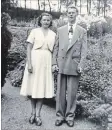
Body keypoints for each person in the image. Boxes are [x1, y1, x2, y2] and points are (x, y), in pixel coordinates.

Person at [52, 4, 87, 127]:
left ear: (77, 14)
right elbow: (55, 48)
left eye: (73, 12)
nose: (71, 14)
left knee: (72, 93)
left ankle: (70, 117)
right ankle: (59, 116)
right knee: (60, 92)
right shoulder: (60, 30)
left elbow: (84, 50)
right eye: (69, 12)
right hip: (61, 64)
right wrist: (54, 63)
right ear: (67, 15)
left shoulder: (82, 31)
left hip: (74, 65)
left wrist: (81, 64)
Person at [20, 12, 56, 126]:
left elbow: (55, 51)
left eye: (48, 20)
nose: (46, 22)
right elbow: (29, 48)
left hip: (46, 62)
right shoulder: (34, 31)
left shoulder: (53, 34)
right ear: (40, 21)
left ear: (50, 22)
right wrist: (29, 63)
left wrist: (53, 65)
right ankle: (32, 113)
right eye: (44, 20)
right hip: (35, 61)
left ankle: (38, 115)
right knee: (32, 88)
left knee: (41, 88)